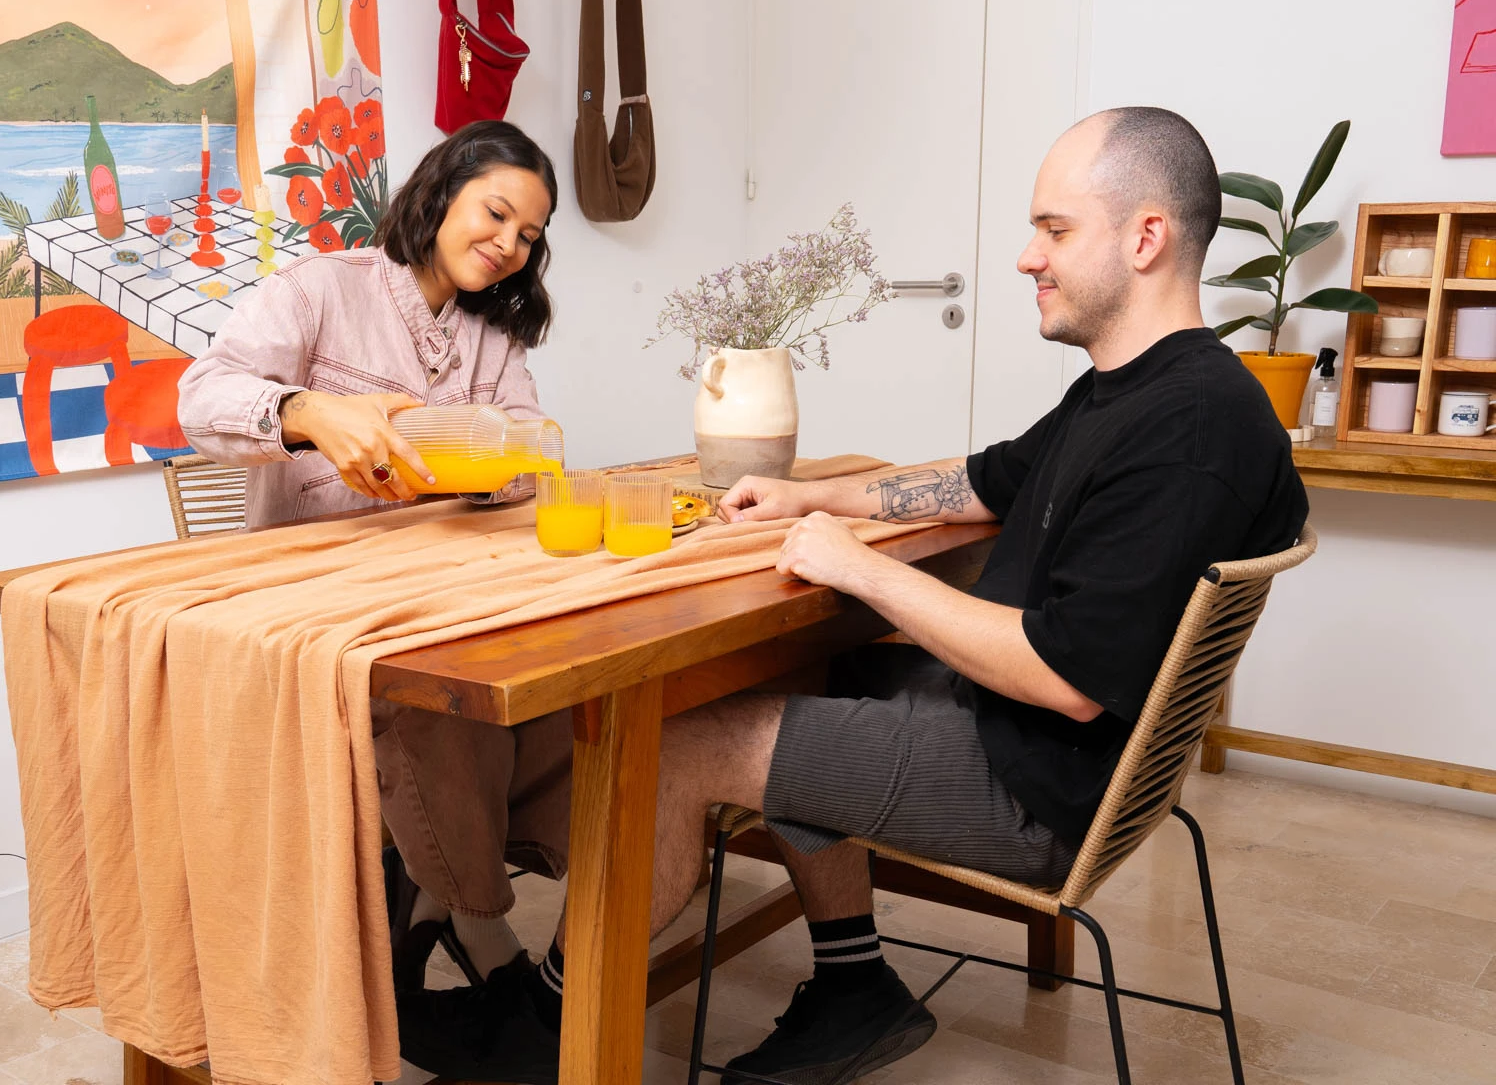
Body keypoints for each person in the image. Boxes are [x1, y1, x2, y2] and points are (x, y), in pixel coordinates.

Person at [393, 106, 1309, 1085]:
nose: (1027, 257)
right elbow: (983, 481)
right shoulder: (1132, 390)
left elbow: (1068, 680)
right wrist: (813, 498)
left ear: (1145, 237)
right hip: (1021, 738)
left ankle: (544, 1025)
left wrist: (864, 568)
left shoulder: (1191, 428)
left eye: (1054, 229)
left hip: (1038, 787)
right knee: (791, 673)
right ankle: (854, 985)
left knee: (682, 742)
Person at [178, 119, 572, 996]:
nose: (508, 245)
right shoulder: (321, 288)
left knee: (561, 676)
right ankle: (477, 920)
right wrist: (307, 412)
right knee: (440, 702)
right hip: (313, 604)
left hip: (443, 592)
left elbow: (534, 450)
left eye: (529, 235)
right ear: (441, 192)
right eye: (496, 214)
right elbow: (200, 401)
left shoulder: (492, 332)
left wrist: (486, 462)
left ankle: (442, 893)